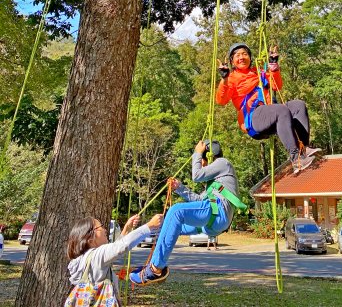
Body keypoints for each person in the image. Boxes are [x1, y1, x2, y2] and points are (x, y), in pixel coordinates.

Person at [130, 139, 244, 285]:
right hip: (212, 223)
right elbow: (199, 199)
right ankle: (151, 263)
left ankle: (156, 268)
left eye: (202, 160)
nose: (201, 163)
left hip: (217, 213)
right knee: (168, 225)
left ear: (209, 156)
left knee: (176, 211)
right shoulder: (216, 183)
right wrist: (180, 188)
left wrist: (197, 152)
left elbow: (196, 176)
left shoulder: (223, 163)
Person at [216, 42, 320, 174]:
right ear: (232, 61)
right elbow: (221, 100)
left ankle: (304, 148)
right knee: (280, 109)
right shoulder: (231, 79)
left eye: (244, 54)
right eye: (237, 55)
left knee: (298, 105)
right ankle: (296, 159)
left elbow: (276, 86)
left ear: (250, 57)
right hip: (254, 118)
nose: (241, 57)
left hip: (271, 113)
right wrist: (224, 79)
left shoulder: (259, 73)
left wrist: (273, 65)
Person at [66, 213, 164, 301]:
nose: (105, 230)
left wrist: (126, 228)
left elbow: (114, 249)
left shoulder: (85, 259)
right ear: (90, 239)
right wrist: (150, 226)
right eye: (100, 227)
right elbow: (121, 246)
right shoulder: (96, 256)